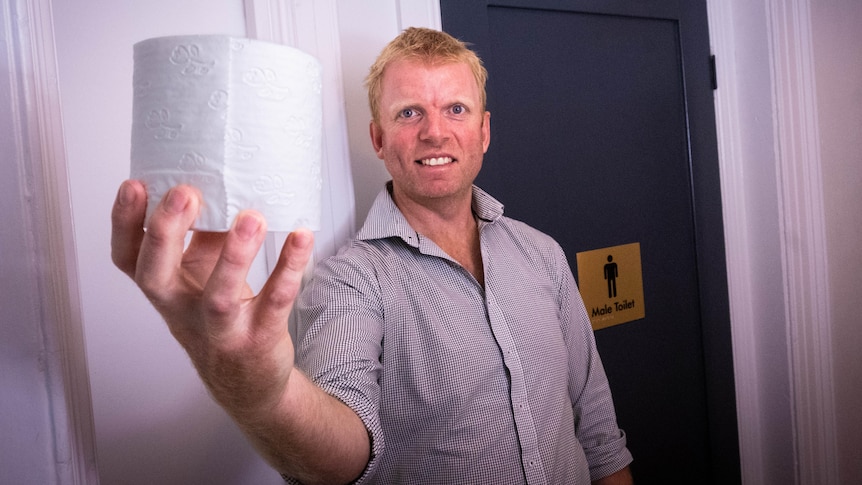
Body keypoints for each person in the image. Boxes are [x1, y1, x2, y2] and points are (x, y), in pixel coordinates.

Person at [111, 27, 633, 485]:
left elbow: (597, 425)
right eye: (410, 112)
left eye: (456, 109)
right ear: (379, 139)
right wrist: (262, 397)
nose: (435, 130)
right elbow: (343, 458)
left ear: (483, 131)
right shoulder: (349, 282)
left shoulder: (542, 253)